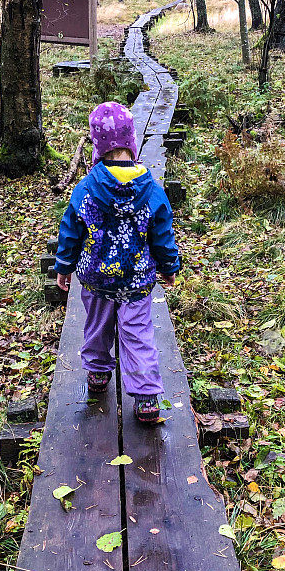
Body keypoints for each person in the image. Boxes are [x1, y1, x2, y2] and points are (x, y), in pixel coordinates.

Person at [54, 101, 180, 424]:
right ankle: (148, 396)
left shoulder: (87, 188)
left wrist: (64, 266)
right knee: (137, 332)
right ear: (132, 142)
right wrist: (168, 267)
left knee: (97, 326)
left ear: (97, 146)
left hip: (95, 278)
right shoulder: (150, 188)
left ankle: (96, 374)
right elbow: (162, 232)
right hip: (136, 281)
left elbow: (71, 228)